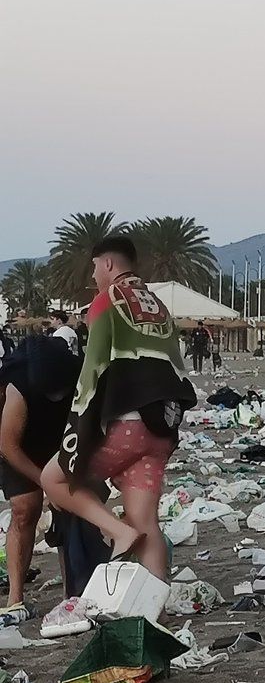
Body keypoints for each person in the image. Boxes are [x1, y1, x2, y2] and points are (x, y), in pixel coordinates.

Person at [41, 232, 196, 580]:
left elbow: (93, 367)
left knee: (53, 478)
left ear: (108, 263)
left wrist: (77, 425)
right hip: (162, 430)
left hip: (126, 424)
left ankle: (116, 531)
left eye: (95, 267)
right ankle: (157, 613)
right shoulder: (159, 305)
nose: (94, 276)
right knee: (148, 525)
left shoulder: (106, 300)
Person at [0, 335, 79, 626]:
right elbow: (9, 447)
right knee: (25, 508)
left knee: (71, 508)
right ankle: (15, 598)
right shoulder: (18, 385)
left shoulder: (78, 373)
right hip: (19, 445)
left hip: (62, 440)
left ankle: (73, 592)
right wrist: (46, 483)